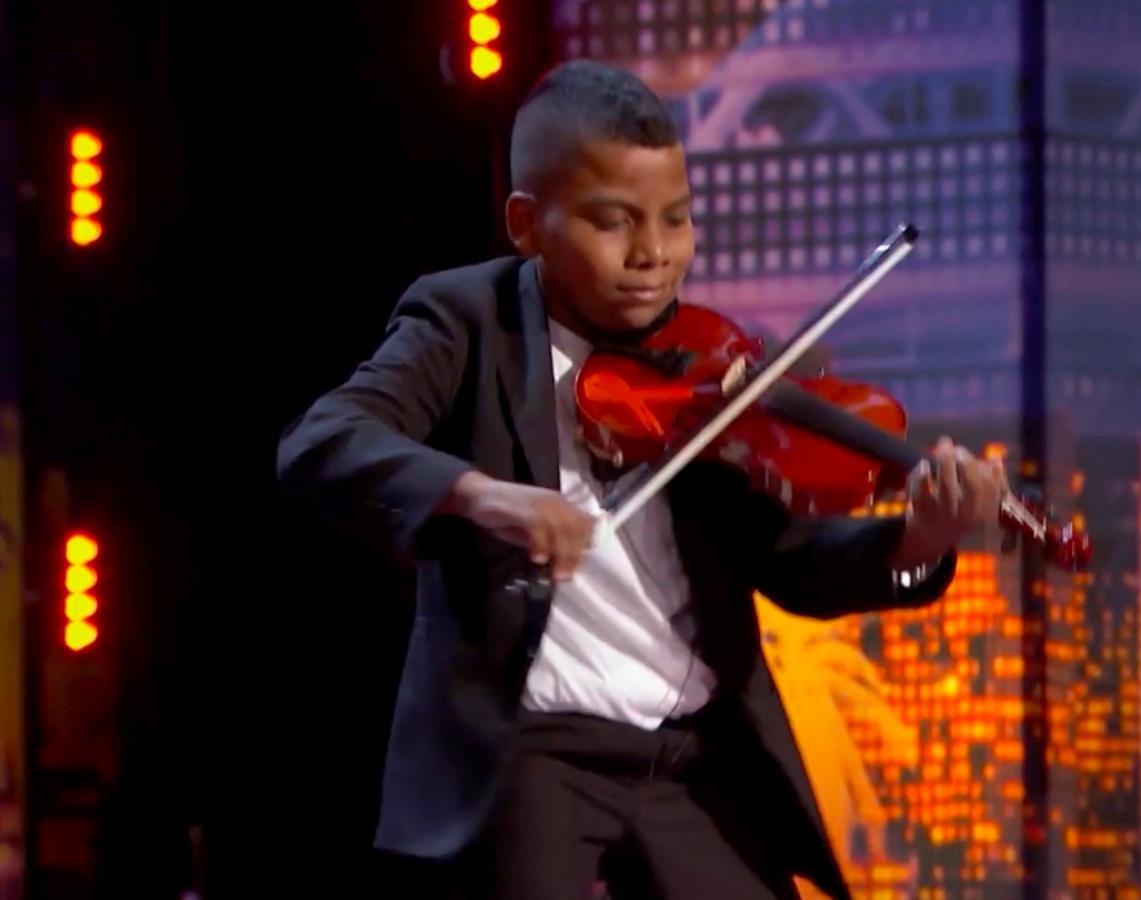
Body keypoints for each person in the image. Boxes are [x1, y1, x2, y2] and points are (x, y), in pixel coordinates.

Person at [276, 59, 1004, 900]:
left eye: (677, 219)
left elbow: (793, 558)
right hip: (533, 751)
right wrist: (484, 495)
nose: (654, 255)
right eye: (613, 223)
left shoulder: (705, 362)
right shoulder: (465, 321)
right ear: (527, 223)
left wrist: (919, 541)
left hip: (694, 757)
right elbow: (322, 442)